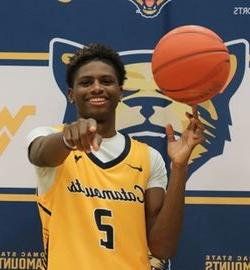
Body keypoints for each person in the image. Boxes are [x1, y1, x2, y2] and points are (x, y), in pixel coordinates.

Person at [27, 43, 204, 270]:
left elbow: (163, 249)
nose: (97, 88)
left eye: (106, 81)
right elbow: (39, 154)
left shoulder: (148, 157)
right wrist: (68, 140)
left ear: (120, 92)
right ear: (71, 95)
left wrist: (179, 167)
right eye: (86, 82)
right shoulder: (49, 136)